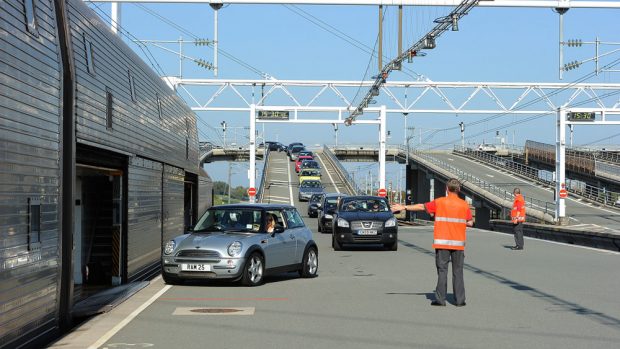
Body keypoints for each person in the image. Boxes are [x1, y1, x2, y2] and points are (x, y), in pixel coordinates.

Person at [391, 178, 473, 307]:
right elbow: (470, 222)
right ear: (459, 190)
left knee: (442, 271)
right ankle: (460, 300)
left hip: (442, 243)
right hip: (458, 244)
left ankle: (440, 300)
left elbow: (422, 207)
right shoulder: (464, 205)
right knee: (458, 272)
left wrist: (404, 207)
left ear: (446, 189)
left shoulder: (439, 202)